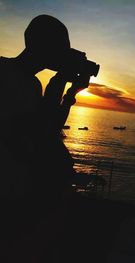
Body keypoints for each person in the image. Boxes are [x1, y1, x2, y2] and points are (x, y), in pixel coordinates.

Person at [0, 14, 90, 238]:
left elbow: (49, 128)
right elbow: (35, 132)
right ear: (43, 45)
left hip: (18, 189)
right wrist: (59, 83)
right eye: (62, 48)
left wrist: (69, 93)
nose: (65, 55)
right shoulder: (4, 73)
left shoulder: (32, 84)